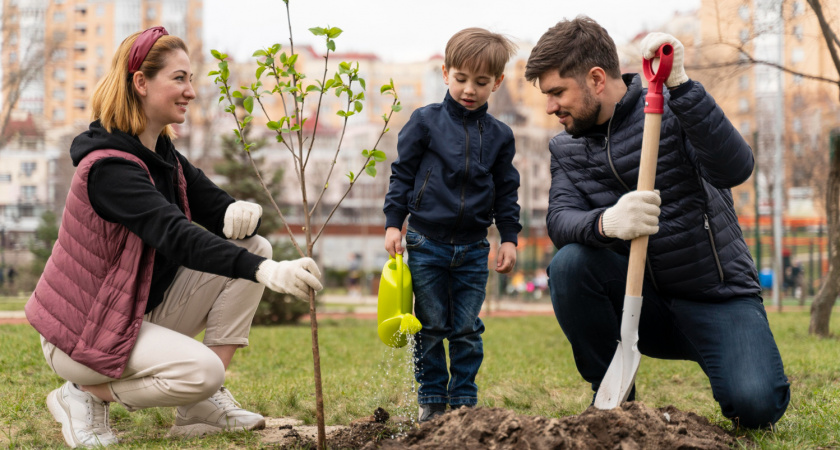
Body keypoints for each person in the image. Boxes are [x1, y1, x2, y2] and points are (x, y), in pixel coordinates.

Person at [24, 26, 324, 448]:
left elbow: (217, 211)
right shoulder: (109, 169)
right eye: (179, 78)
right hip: (81, 334)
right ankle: (82, 396)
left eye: (191, 79)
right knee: (201, 369)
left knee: (255, 246)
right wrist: (266, 272)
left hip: (130, 313)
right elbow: (177, 236)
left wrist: (242, 212)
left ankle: (200, 405)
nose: (191, 91)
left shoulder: (163, 155)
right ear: (142, 83)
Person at [524, 17, 790, 429]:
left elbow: (735, 168)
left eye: (557, 92)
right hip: (639, 305)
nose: (550, 107)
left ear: (596, 79)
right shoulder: (566, 148)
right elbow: (560, 220)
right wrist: (608, 223)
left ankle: (733, 362)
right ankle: (614, 398)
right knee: (569, 264)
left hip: (715, 297)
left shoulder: (672, 112)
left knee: (756, 405)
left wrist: (682, 87)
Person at [383, 27, 522, 423]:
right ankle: (431, 401)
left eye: (481, 82)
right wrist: (395, 223)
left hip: (475, 248)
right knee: (431, 327)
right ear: (445, 73)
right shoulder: (424, 123)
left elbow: (507, 190)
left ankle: (463, 402)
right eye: (461, 79)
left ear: (496, 83)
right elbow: (402, 175)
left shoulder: (500, 136)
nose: (469, 90)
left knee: (465, 328)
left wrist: (509, 238)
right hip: (426, 242)